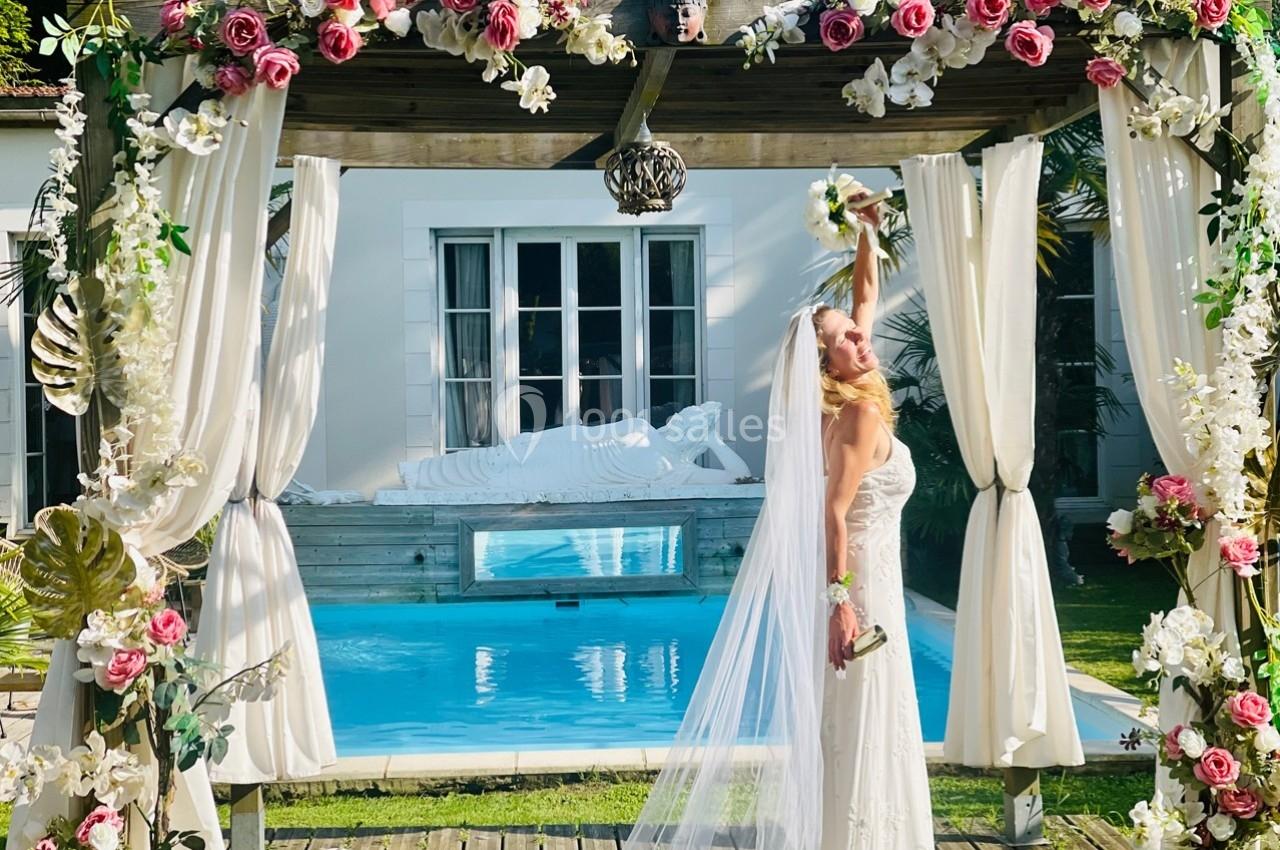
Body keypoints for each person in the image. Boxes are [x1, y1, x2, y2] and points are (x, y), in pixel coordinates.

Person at [622, 195, 931, 850]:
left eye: (857, 329)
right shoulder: (857, 417)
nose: (860, 336)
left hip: (854, 582)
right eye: (846, 337)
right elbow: (832, 513)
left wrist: (867, 234)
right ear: (825, 363)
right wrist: (841, 606)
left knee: (850, 719)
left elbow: (866, 292)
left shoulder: (846, 398)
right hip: (860, 586)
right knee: (863, 717)